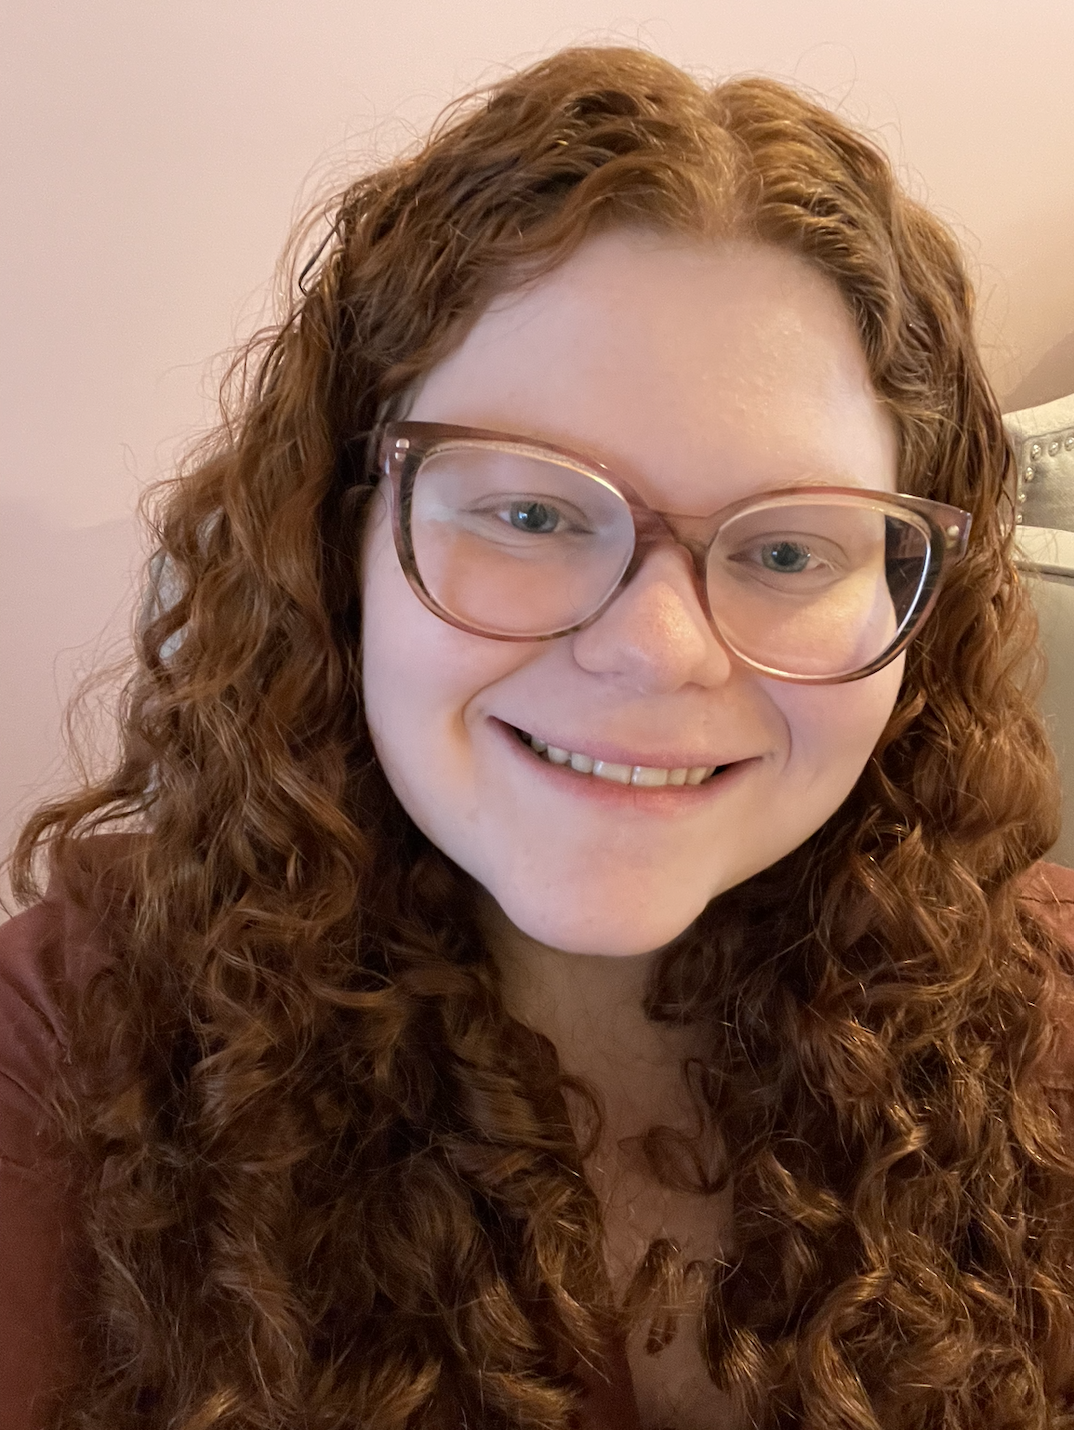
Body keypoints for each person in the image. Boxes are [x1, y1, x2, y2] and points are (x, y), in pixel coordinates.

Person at [2, 45, 1074, 1430]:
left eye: (790, 546)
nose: (658, 647)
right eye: (529, 513)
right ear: (339, 540)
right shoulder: (73, 1047)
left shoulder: (1039, 1030)